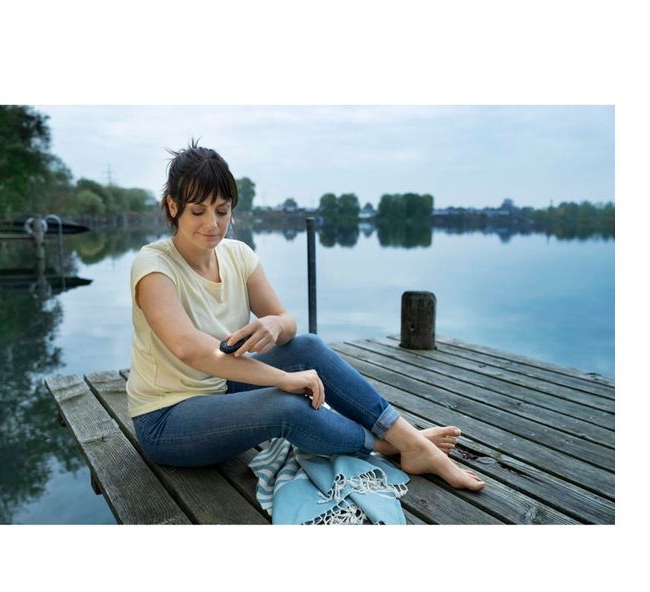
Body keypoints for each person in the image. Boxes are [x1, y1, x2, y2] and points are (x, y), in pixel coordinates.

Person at [127, 140, 485, 492]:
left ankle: (408, 439)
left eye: (222, 211)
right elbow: (192, 351)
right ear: (173, 206)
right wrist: (282, 379)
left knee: (307, 346)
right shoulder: (154, 266)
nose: (213, 224)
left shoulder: (237, 255)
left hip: (220, 388)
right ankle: (387, 445)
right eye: (198, 211)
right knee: (286, 405)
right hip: (166, 419)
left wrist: (274, 324)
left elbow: (287, 322)